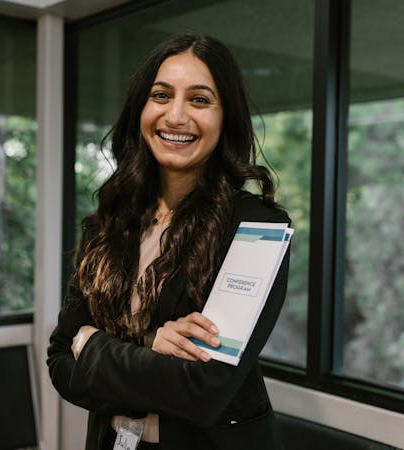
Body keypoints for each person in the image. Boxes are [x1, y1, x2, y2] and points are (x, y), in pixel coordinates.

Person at [47, 32, 290, 450]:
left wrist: (94, 346)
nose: (176, 116)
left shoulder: (254, 228)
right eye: (161, 95)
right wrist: (148, 347)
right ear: (141, 108)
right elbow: (58, 359)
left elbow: (202, 390)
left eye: (199, 100)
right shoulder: (111, 220)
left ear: (225, 116)